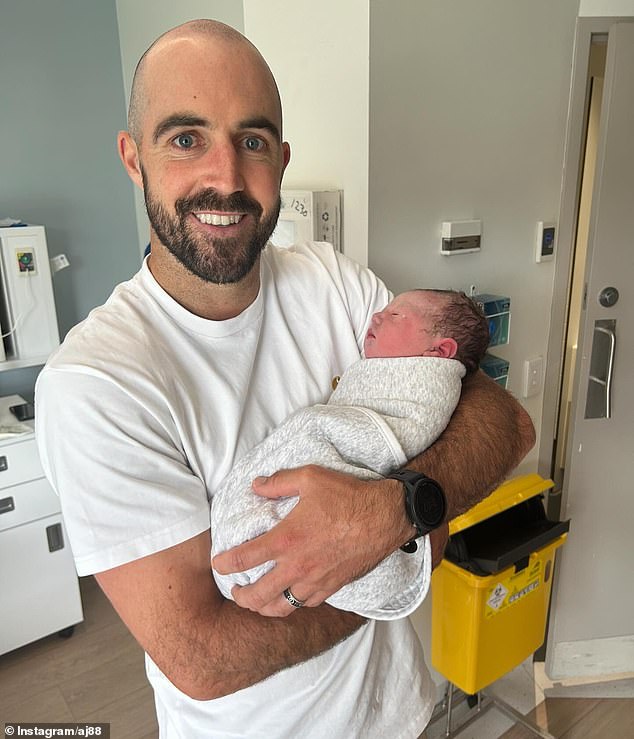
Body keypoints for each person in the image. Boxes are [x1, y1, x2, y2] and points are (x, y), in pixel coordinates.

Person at [34, 19, 534, 739]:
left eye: (253, 141)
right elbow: (201, 655)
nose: (227, 177)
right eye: (185, 138)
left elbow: (505, 420)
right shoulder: (98, 385)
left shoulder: (330, 280)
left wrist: (395, 511)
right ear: (133, 158)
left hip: (402, 714)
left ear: (281, 158)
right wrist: (396, 558)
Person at [212, 289, 490, 620]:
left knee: (312, 425)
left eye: (395, 316)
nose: (376, 316)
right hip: (264, 591)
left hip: (386, 660)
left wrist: (392, 512)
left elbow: (514, 425)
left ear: (439, 351)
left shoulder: (421, 386)